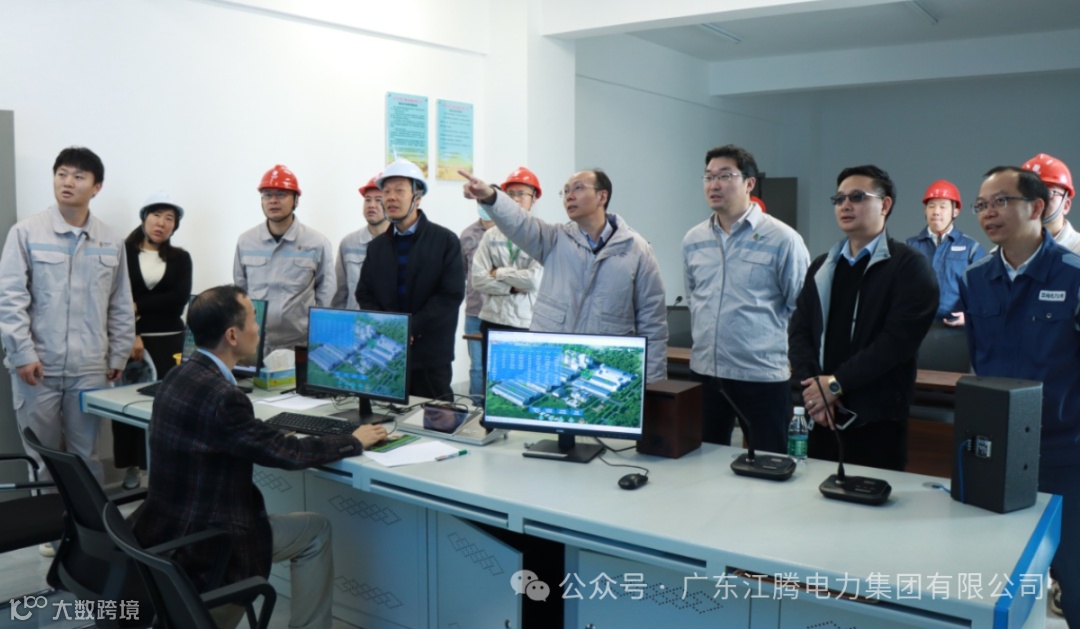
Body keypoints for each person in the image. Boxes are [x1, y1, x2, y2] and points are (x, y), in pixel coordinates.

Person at [131, 285, 387, 629]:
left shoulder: (178, 375)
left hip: (165, 537)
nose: (259, 328)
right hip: (210, 547)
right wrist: (352, 441)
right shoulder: (224, 397)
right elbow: (288, 453)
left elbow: (239, 436)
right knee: (316, 530)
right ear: (232, 335)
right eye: (253, 319)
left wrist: (265, 432)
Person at [959, 166, 1079, 623]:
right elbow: (980, 361)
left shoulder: (1073, 275)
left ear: (1037, 207)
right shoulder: (975, 278)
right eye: (982, 205)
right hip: (998, 454)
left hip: (1063, 453)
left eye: (1000, 201)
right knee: (998, 579)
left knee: (1073, 576)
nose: (988, 213)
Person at [0, 147, 135, 496]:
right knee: (42, 457)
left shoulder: (111, 240)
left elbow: (120, 303)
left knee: (85, 456)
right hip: (37, 367)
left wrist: (119, 354)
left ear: (96, 187)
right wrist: (21, 354)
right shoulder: (26, 233)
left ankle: (88, 522)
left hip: (89, 367)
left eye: (78, 176)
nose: (67, 182)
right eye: (61, 174)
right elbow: (10, 299)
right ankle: (47, 521)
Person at [789, 165, 938, 471]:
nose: (845, 205)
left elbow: (896, 343)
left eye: (857, 197)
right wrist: (814, 392)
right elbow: (799, 330)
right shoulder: (823, 265)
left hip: (876, 420)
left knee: (870, 496)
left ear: (885, 205)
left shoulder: (909, 266)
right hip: (821, 414)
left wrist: (834, 386)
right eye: (839, 198)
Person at [459, 168, 669, 382]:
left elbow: (652, 319)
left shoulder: (636, 249)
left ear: (602, 196)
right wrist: (490, 196)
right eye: (566, 191)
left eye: (578, 188)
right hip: (553, 360)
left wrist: (652, 381)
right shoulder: (554, 239)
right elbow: (520, 222)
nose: (569, 196)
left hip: (606, 363)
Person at [682, 145, 809, 451]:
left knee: (769, 462)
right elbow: (694, 299)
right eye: (709, 177)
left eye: (725, 176)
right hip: (706, 374)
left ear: (749, 183)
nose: (714, 185)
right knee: (701, 464)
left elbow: (801, 309)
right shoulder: (694, 240)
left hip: (761, 377)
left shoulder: (783, 239)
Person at [356, 158, 464, 400]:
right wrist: (390, 328)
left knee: (436, 416)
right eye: (386, 192)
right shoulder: (377, 247)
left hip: (430, 357)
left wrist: (410, 327)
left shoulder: (445, 241)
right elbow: (364, 293)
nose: (391, 197)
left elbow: (451, 295)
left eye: (399, 190)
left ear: (418, 196)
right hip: (385, 352)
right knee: (386, 416)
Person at [115, 191, 193, 489]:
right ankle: (131, 467)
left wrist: (138, 305)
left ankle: (166, 470)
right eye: (156, 215)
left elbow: (178, 300)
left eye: (169, 218)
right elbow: (117, 297)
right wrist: (132, 330)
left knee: (169, 406)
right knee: (128, 404)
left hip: (171, 341)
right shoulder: (122, 252)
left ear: (175, 226)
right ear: (144, 218)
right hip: (130, 342)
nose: (162, 223)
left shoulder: (180, 258)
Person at [233, 164, 335, 354]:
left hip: (301, 343)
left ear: (296, 200)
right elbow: (241, 291)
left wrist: (316, 335)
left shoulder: (317, 243)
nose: (273, 200)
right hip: (257, 342)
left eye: (281, 194)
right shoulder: (246, 242)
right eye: (267, 195)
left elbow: (326, 293)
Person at [471, 167, 545, 376]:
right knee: (491, 384)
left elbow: (534, 281)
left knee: (524, 383)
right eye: (510, 194)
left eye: (521, 194)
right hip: (492, 320)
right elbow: (478, 280)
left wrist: (499, 273)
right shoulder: (491, 235)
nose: (515, 199)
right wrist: (512, 288)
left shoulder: (542, 235)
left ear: (534, 199)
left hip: (526, 323)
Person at [905, 180, 987, 327]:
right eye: (931, 206)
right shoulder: (909, 247)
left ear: (955, 211)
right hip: (915, 328)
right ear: (925, 210)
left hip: (956, 330)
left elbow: (986, 290)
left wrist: (969, 316)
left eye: (943, 206)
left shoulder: (971, 249)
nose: (936, 211)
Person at [332, 174, 388, 310]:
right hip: (353, 320)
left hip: (388, 322)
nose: (371, 205)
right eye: (367, 200)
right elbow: (339, 294)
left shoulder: (402, 243)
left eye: (378, 200)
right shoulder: (349, 243)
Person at [459, 204, 494, 401]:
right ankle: (476, 407)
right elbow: (463, 271)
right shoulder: (467, 235)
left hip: (500, 313)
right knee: (477, 367)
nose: (484, 207)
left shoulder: (508, 232)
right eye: (481, 202)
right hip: (474, 312)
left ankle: (496, 409)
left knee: (498, 367)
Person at [1022, 153, 1079, 253]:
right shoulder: (1002, 254)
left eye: (1047, 193)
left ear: (1066, 206)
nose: (1036, 202)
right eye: (1028, 193)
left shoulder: (1077, 250)